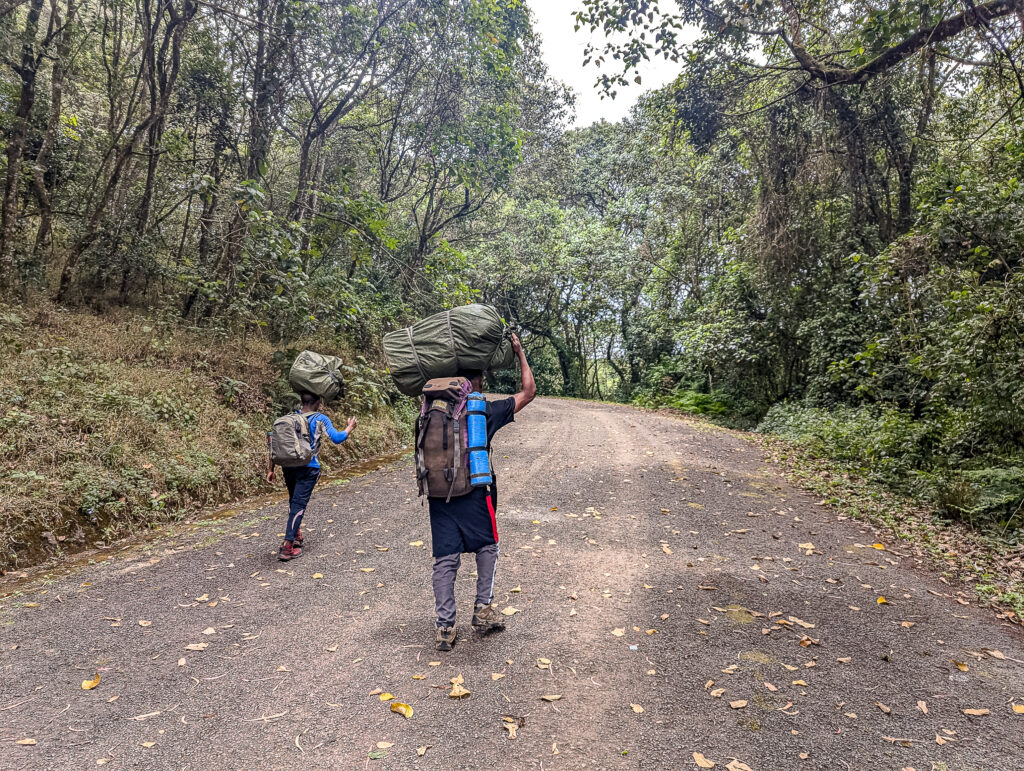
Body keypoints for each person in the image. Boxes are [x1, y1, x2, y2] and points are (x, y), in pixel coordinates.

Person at [430, 333, 536, 651]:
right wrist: (519, 353)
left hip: (438, 494)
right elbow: (528, 392)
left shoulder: (432, 410)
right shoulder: (483, 410)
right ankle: (482, 611)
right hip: (476, 493)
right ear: (477, 381)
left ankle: (445, 628)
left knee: (445, 559)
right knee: (488, 547)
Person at [267, 391, 358, 561]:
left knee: (294, 501)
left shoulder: (290, 417)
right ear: (317, 402)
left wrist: (271, 469)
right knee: (299, 504)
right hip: (309, 467)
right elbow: (336, 438)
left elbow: (273, 441)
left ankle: (296, 535)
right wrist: (349, 428)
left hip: (288, 466)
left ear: (302, 402)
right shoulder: (320, 418)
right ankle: (287, 547)